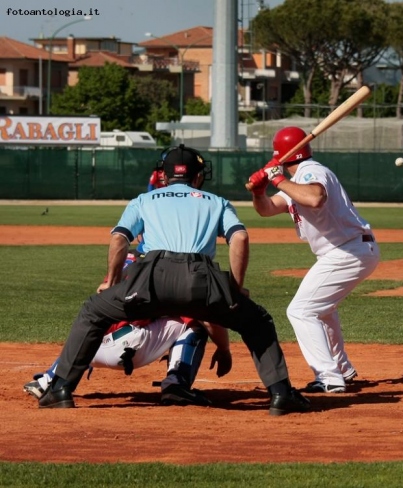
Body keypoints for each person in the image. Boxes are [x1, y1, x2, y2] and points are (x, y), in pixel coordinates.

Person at [37, 144, 310, 416]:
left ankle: (61, 388)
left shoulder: (143, 201)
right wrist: (235, 288)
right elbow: (240, 238)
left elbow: (119, 239)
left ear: (164, 176)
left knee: (93, 311)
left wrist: (113, 281)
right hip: (202, 280)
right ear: (198, 176)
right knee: (257, 322)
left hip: (150, 280)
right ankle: (281, 393)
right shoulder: (217, 202)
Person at [246, 127, 381, 393]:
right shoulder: (299, 178)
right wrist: (259, 193)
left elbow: (316, 198)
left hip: (348, 251)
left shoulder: (311, 171)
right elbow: (268, 209)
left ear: (280, 154)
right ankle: (341, 368)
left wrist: (278, 179)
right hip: (346, 251)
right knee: (322, 310)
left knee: (301, 310)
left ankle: (329, 377)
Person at [24, 315, 233, 406]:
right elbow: (207, 319)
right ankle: (176, 383)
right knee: (196, 321)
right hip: (134, 346)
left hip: (92, 346)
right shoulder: (170, 264)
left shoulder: (125, 261)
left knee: (94, 323)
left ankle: (48, 380)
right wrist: (224, 349)